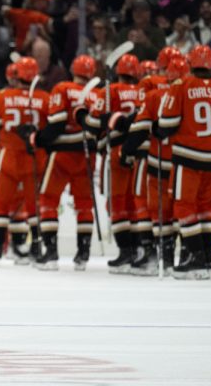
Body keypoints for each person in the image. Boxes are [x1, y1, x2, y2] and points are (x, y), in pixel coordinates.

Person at [158, 45, 211, 280]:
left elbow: (167, 124)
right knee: (207, 208)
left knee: (184, 207)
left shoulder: (181, 86)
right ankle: (207, 257)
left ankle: (195, 258)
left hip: (188, 156)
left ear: (191, 63)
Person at [31, 55, 99, 271]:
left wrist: (36, 138)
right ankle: (84, 253)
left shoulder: (62, 88)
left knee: (48, 200)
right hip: (88, 156)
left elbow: (57, 126)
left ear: (72, 69)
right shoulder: (96, 94)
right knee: (85, 204)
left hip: (63, 154)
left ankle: (50, 253)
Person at [122, 56, 190, 276]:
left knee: (159, 211)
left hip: (158, 163)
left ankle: (164, 258)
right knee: (183, 210)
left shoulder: (153, 96)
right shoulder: (192, 97)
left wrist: (126, 150)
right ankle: (191, 255)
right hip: (183, 163)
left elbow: (139, 128)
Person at [84, 54, 143, 274]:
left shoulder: (109, 91)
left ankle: (125, 251)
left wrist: (100, 118)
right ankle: (140, 249)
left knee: (117, 203)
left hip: (117, 152)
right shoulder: (143, 90)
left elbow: (91, 123)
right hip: (139, 152)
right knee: (135, 202)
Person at [0, 57, 50, 267]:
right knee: (33, 206)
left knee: (0, 204)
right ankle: (36, 247)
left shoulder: (3, 95)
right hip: (35, 156)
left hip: (9, 155)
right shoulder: (44, 98)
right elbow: (48, 130)